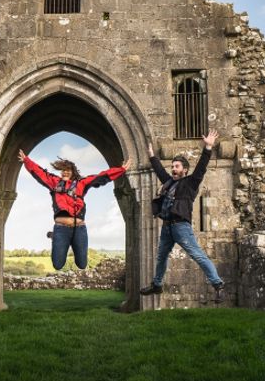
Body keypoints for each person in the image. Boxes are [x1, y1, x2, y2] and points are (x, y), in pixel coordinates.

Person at [140, 129, 225, 302]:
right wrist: (152, 156)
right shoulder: (169, 183)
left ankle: (218, 285)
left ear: (184, 170)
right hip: (167, 227)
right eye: (172, 166)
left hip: (181, 226)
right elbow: (159, 171)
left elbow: (201, 168)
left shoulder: (190, 183)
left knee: (197, 255)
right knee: (161, 257)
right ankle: (157, 285)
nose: (173, 169)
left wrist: (208, 148)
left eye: (176, 166)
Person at [18, 149, 131, 270]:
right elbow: (40, 172)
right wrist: (26, 160)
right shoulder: (54, 182)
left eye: (68, 170)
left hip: (79, 228)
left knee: (82, 264)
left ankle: (67, 240)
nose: (65, 172)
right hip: (61, 229)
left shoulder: (81, 183)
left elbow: (101, 176)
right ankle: (56, 237)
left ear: (72, 172)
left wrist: (121, 169)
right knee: (58, 265)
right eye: (63, 170)